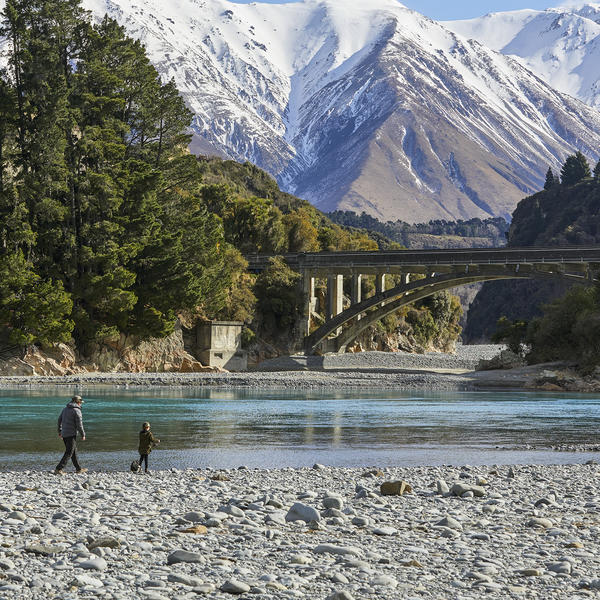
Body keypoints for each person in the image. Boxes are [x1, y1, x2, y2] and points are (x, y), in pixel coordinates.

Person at [55, 395, 87, 475]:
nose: (81, 404)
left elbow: (59, 420)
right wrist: (83, 434)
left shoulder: (65, 409)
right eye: (80, 403)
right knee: (69, 452)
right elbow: (79, 425)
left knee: (73, 451)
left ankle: (78, 469)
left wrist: (59, 431)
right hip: (71, 434)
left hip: (64, 433)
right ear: (78, 402)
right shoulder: (77, 411)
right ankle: (59, 468)